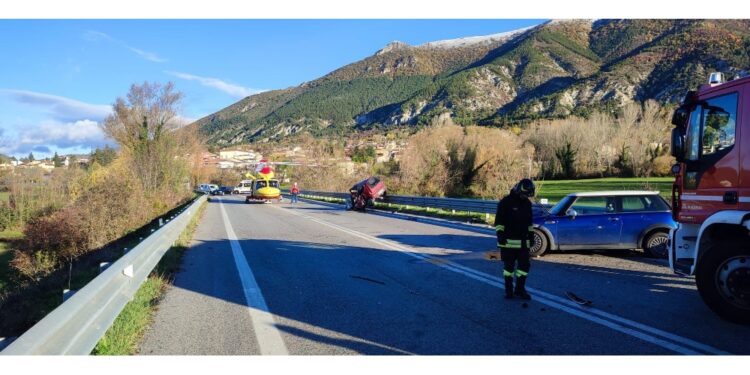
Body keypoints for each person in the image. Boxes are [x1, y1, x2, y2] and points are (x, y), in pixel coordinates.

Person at [494, 178, 536, 300]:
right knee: (509, 268)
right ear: (518, 190)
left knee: (524, 267)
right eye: (524, 194)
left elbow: (529, 222)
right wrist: (500, 235)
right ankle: (509, 291)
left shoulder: (527, 204)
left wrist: (531, 235)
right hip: (508, 243)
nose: (525, 197)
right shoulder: (505, 202)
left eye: (527, 195)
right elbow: (499, 221)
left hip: (523, 243)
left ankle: (520, 289)